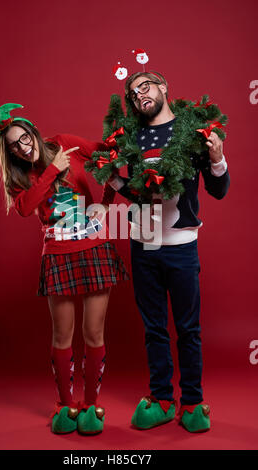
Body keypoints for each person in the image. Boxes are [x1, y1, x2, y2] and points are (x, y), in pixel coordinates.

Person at [107, 72, 230, 433]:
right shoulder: (131, 137)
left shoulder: (193, 132)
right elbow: (140, 194)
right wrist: (115, 182)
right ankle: (161, 398)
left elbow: (219, 190)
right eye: (132, 93)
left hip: (180, 247)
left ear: (163, 88)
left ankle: (192, 401)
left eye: (145, 86)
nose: (137, 95)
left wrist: (219, 158)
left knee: (188, 328)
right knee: (154, 328)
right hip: (143, 243)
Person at [0, 103, 129, 435]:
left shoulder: (64, 144)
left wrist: (106, 201)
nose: (23, 146)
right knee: (61, 336)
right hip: (57, 254)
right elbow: (27, 208)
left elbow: (108, 157)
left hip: (95, 248)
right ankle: (64, 404)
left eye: (24, 137)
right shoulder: (19, 177)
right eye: (14, 145)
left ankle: (91, 404)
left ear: (33, 132)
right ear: (9, 151)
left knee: (94, 333)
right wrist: (53, 170)